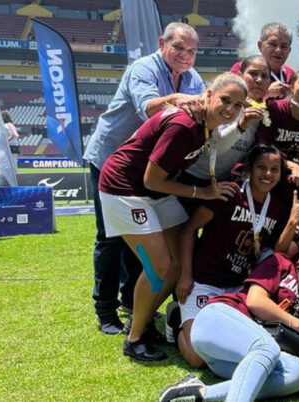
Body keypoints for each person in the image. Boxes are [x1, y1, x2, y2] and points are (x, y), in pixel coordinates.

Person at [98, 72, 247, 361]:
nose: (230, 109)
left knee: (179, 263)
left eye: (238, 105)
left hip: (154, 190)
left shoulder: (206, 124)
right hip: (125, 188)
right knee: (160, 266)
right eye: (225, 100)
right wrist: (202, 193)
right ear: (208, 95)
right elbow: (152, 179)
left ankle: (143, 319)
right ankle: (135, 338)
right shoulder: (185, 124)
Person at [83, 22, 206, 335]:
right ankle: (105, 309)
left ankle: (131, 302)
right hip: (111, 159)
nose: (185, 55)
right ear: (162, 43)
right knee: (110, 238)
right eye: (178, 47)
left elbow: (204, 107)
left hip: (149, 167)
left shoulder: (192, 77)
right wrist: (182, 99)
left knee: (142, 237)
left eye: (192, 51)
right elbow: (149, 108)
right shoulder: (142, 68)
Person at [158, 232, 299, 401]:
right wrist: (297, 324)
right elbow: (255, 301)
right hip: (218, 320)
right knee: (267, 347)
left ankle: (199, 393)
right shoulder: (282, 263)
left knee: (297, 372)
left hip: (233, 357)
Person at [174, 145, 293, 367]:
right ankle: (175, 322)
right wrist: (185, 276)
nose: (267, 174)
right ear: (250, 169)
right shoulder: (229, 194)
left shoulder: (278, 208)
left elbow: (273, 251)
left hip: (238, 288)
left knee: (242, 347)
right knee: (197, 358)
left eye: (274, 169)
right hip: (205, 281)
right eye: (261, 167)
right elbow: (188, 229)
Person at [181, 55, 271, 189]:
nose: (259, 80)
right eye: (253, 74)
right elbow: (213, 149)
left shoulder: (266, 115)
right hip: (188, 176)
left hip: (220, 183)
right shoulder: (221, 104)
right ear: (240, 75)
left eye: (265, 76)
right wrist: (241, 125)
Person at [231, 22, 295, 100]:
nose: (278, 50)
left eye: (284, 46)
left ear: (289, 50)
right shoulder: (242, 68)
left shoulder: (290, 74)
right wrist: (267, 94)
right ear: (260, 45)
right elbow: (233, 101)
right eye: (273, 44)